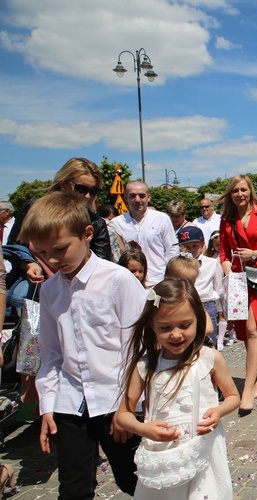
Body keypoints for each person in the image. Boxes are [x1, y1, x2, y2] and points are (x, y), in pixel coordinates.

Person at [20, 192, 147, 497]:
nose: (52, 260)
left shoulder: (118, 280)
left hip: (115, 401)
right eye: (43, 253)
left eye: (60, 249)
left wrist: (127, 406)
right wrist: (48, 406)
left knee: (135, 480)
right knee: (73, 488)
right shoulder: (50, 291)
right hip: (70, 402)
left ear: (87, 234)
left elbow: (139, 347)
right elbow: (51, 354)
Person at [115, 278, 240, 498]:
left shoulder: (209, 359)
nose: (175, 334)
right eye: (165, 327)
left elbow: (232, 396)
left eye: (184, 325)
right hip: (164, 456)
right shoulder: (145, 366)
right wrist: (143, 429)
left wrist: (219, 411)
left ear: (198, 320)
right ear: (152, 325)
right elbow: (122, 415)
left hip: (205, 450)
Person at [218, 175, 257, 417]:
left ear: (250, 191)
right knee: (246, 334)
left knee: (254, 330)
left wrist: (254, 253)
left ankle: (247, 388)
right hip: (237, 280)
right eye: (234, 190)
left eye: (243, 189)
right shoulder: (226, 220)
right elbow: (224, 255)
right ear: (230, 194)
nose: (239, 194)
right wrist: (228, 275)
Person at [113, 181, 179, 286]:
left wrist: (169, 277)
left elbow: (172, 250)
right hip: (129, 283)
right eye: (133, 196)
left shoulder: (161, 219)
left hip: (158, 281)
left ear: (148, 197)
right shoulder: (116, 223)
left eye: (142, 196)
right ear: (126, 198)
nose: (137, 199)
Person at [178, 226, 223, 347]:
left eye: (194, 246)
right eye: (186, 247)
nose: (191, 250)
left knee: (209, 342)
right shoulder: (177, 264)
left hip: (206, 304)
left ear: (202, 244)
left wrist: (220, 310)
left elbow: (218, 288)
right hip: (185, 304)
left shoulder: (212, 263)